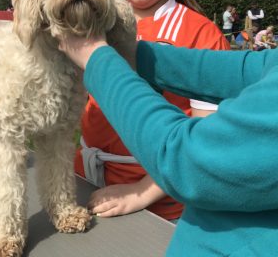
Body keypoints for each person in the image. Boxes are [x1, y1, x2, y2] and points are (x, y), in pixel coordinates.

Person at [0, 0, 230, 222]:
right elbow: (34, 30)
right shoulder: (84, 27)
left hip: (159, 202)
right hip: (84, 181)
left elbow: (209, 142)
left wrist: (140, 192)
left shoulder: (202, 33)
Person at [57, 28, 278, 256]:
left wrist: (98, 60)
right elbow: (247, 69)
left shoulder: (199, 29)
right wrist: (124, 52)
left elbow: (190, 160)